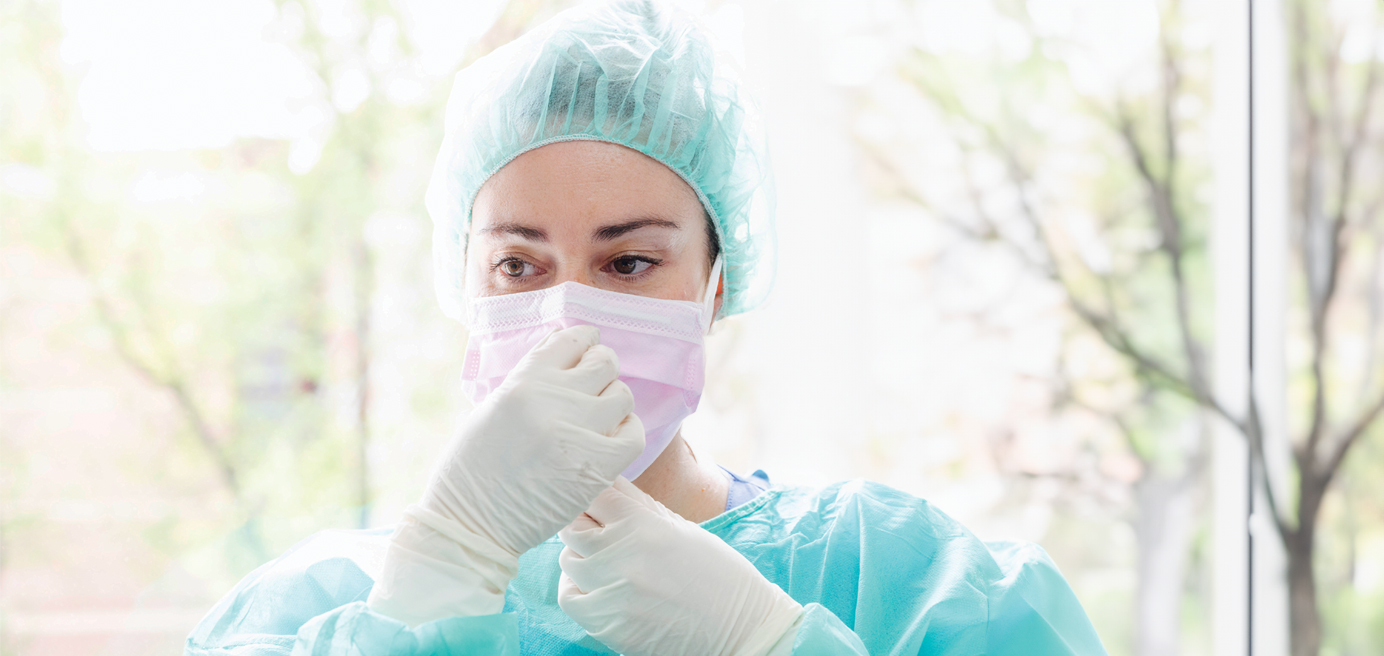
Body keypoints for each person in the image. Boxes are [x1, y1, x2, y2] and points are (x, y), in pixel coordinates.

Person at [185, 1, 1109, 654]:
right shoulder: (317, 614)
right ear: (466, 286)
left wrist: (773, 645)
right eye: (519, 265)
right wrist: (440, 581)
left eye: (628, 263)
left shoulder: (895, 583)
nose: (566, 315)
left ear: (715, 283)